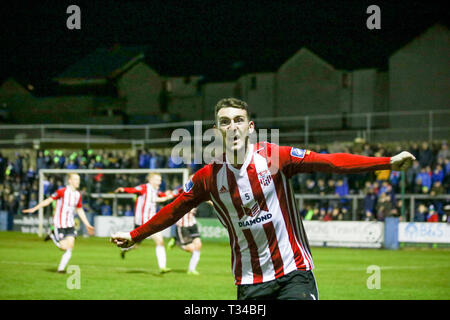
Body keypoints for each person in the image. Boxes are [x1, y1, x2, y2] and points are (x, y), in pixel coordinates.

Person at [111, 97, 415, 300]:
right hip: (250, 281)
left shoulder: (275, 156)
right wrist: (136, 235)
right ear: (216, 131)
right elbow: (175, 209)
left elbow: (331, 162)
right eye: (225, 122)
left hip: (294, 272)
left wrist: (385, 162)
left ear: (250, 127)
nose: (233, 126)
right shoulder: (207, 177)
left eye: (239, 120)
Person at [22, 173, 95, 273]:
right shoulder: (62, 191)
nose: (78, 181)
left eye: (78, 179)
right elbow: (49, 200)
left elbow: (79, 210)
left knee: (70, 247)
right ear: (69, 181)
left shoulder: (77, 194)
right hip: (59, 224)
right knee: (64, 247)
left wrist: (87, 224)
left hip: (70, 224)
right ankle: (52, 235)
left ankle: (60, 269)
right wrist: (35, 208)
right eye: (75, 179)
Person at [114, 173, 175, 273]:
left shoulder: (155, 191)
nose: (159, 182)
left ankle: (163, 267)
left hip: (151, 221)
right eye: (157, 180)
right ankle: (124, 249)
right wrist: (123, 189)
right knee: (134, 244)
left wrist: (169, 194)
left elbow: (162, 195)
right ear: (150, 180)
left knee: (160, 241)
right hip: (141, 222)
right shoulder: (144, 188)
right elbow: (134, 190)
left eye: (160, 180)